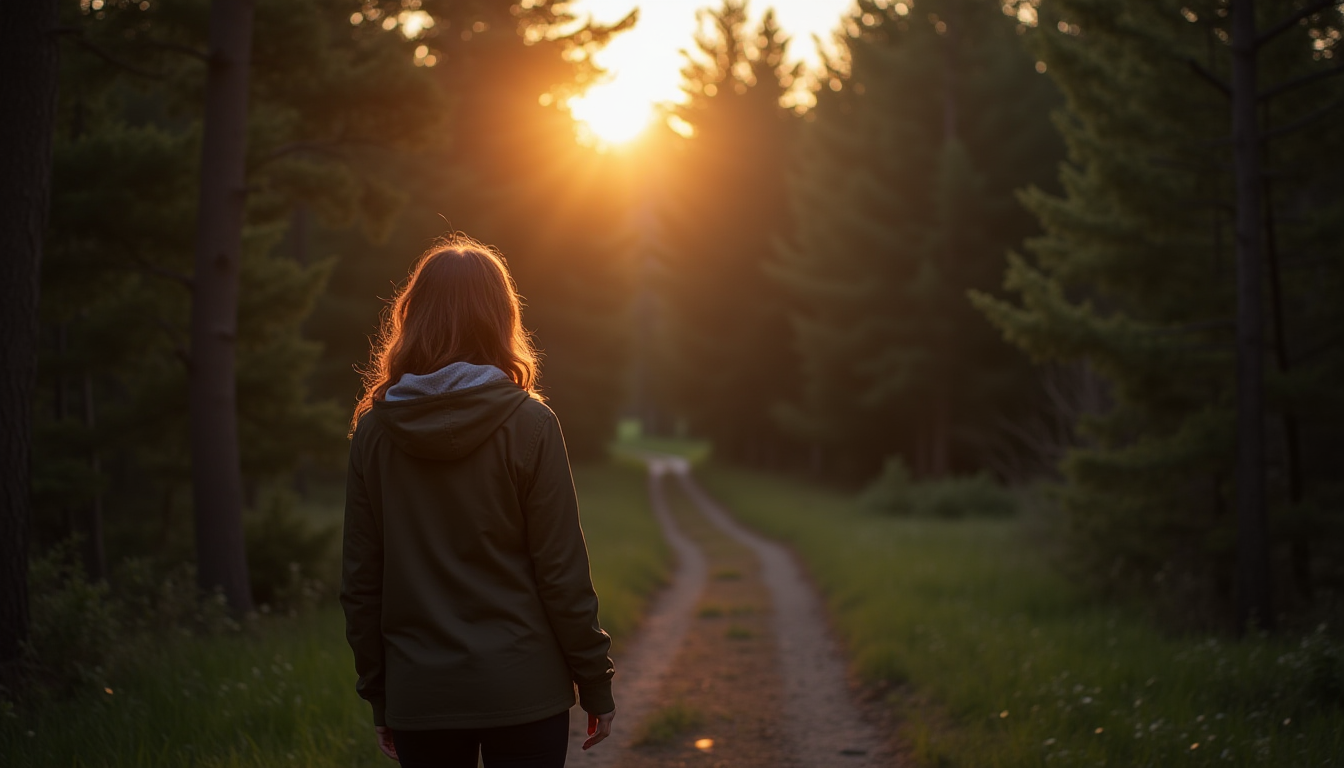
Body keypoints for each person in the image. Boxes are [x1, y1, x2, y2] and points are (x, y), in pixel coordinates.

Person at [340, 234, 616, 768]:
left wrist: (380, 694)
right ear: (500, 318)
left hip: (422, 692)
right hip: (524, 687)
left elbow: (361, 584)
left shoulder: (375, 433)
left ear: (412, 317)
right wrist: (595, 682)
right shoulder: (531, 424)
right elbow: (561, 571)